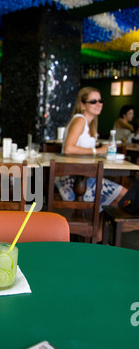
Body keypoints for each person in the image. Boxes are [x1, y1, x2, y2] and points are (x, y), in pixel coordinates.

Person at [56, 87, 128, 238]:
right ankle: (98, 238)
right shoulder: (80, 120)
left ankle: (98, 237)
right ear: (83, 105)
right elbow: (69, 148)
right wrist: (98, 151)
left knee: (119, 197)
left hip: (83, 179)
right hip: (72, 182)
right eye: (93, 101)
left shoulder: (88, 124)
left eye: (100, 100)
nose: (99, 104)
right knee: (123, 195)